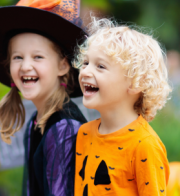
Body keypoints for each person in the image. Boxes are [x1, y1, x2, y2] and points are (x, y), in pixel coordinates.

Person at [0, 0, 88, 195]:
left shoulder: (64, 129)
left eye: (38, 57)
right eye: (18, 57)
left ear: (63, 66)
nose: (25, 66)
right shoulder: (37, 122)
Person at [73, 17, 172, 195]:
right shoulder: (84, 133)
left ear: (136, 83)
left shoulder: (145, 145)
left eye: (100, 66)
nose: (85, 71)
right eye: (86, 63)